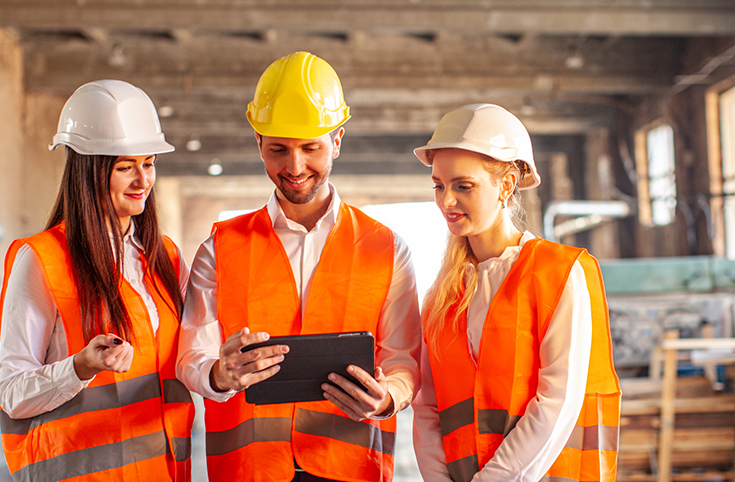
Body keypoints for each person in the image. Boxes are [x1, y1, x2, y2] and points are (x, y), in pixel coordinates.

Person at [176, 51, 421, 482]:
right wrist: (217, 373)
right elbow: (190, 352)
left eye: (311, 148)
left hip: (347, 467)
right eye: (278, 150)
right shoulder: (221, 247)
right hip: (248, 470)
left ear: (338, 141)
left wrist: (387, 399)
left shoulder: (386, 248)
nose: (294, 168)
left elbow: (404, 358)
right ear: (257, 143)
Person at [0, 80, 194, 482]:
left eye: (149, 163)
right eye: (125, 167)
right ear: (89, 170)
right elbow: (11, 393)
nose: (143, 181)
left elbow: (191, 356)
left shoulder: (165, 257)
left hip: (164, 470)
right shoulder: (42, 259)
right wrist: (80, 367)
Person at [411, 103, 621, 482]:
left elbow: (558, 401)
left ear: (506, 185)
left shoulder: (559, 273)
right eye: (439, 186)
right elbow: (427, 408)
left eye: (463, 186)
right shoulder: (441, 296)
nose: (446, 201)